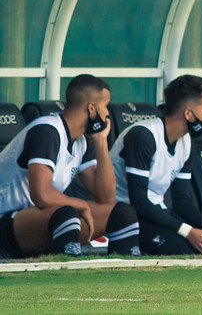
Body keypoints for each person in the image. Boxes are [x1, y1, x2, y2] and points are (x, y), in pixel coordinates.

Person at [0, 74, 140, 258]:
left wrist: (100, 141)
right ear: (91, 108)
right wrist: (81, 205)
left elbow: (106, 197)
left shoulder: (82, 140)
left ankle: (122, 280)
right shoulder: (47, 131)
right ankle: (65, 274)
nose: (107, 114)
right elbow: (41, 194)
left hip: (41, 220)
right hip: (7, 220)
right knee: (67, 213)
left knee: (123, 213)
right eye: (105, 106)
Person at [110, 75, 202, 255]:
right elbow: (139, 201)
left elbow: (182, 201)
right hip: (124, 214)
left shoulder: (187, 143)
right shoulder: (143, 136)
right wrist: (188, 231)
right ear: (188, 113)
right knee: (188, 250)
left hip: (155, 214)